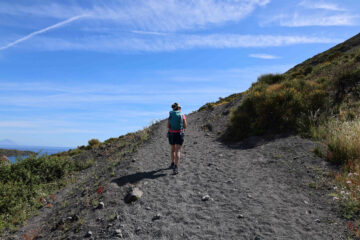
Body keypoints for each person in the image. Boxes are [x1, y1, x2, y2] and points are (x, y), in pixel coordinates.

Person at [168, 102, 187, 174]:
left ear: (173, 108)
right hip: (179, 133)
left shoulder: (170, 115)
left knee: (172, 149)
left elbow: (168, 126)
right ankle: (176, 167)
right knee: (178, 150)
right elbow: (185, 126)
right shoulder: (182, 115)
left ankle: (172, 163)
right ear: (178, 108)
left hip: (172, 133)